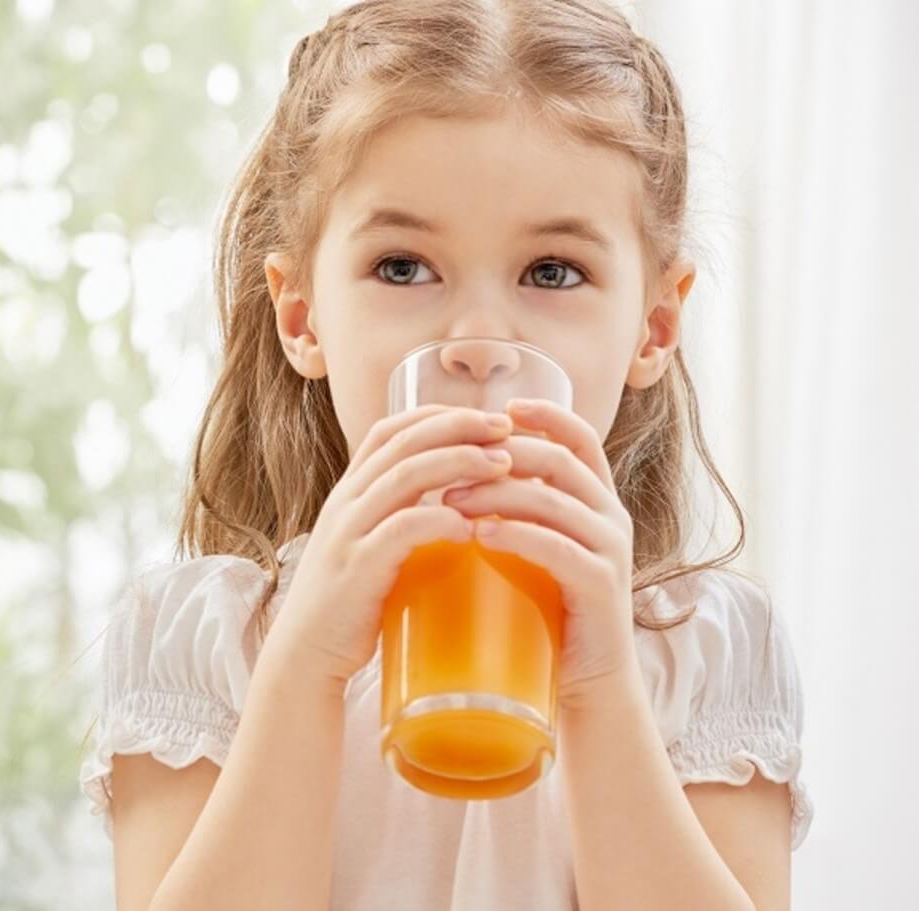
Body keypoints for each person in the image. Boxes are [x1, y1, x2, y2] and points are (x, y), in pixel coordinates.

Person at [78, 1, 812, 907]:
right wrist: (304, 664)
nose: (477, 342)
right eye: (402, 266)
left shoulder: (704, 657)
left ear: (654, 327)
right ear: (302, 315)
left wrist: (601, 685)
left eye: (551, 272)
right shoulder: (205, 646)